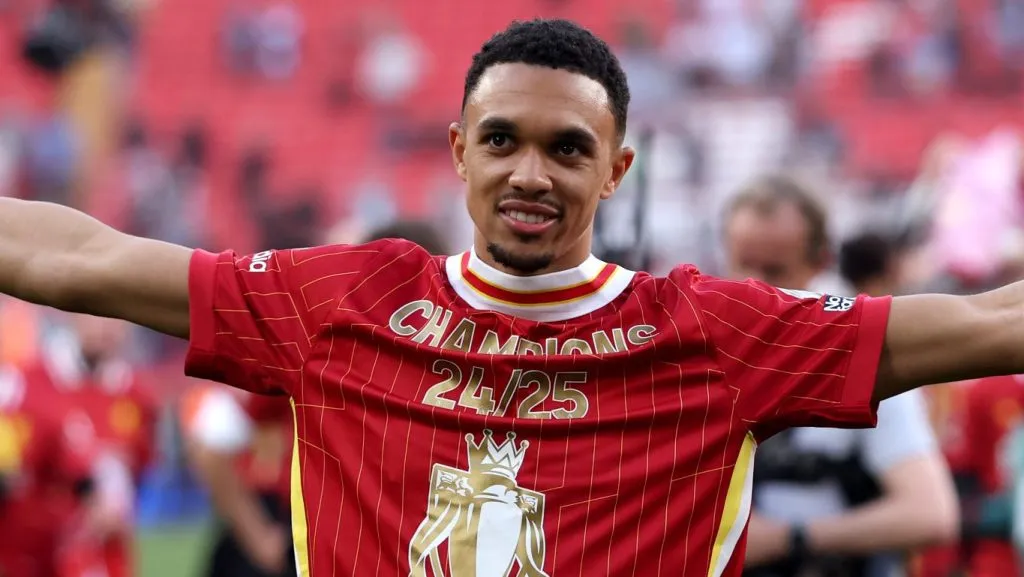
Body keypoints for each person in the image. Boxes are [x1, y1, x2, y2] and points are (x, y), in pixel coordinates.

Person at [4, 17, 1024, 576]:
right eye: (501, 140)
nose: (529, 173)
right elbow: (85, 259)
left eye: (567, 148)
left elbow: (986, 321)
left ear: (616, 169)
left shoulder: (713, 334)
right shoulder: (341, 302)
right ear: (459, 151)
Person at [180, 219, 448, 577]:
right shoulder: (322, 353)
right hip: (316, 536)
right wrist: (261, 541)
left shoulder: (455, 370)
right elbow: (213, 449)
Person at [720, 177, 958, 577]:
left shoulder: (859, 357)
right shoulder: (702, 354)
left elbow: (931, 513)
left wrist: (787, 538)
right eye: (744, 264)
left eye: (775, 270)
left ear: (819, 262)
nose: (754, 286)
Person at [16, 314, 157, 577]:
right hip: (35, 554)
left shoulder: (137, 396)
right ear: (73, 313)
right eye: (98, 314)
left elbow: (139, 468)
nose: (107, 326)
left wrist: (117, 506)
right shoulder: (26, 385)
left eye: (117, 317)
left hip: (104, 554)